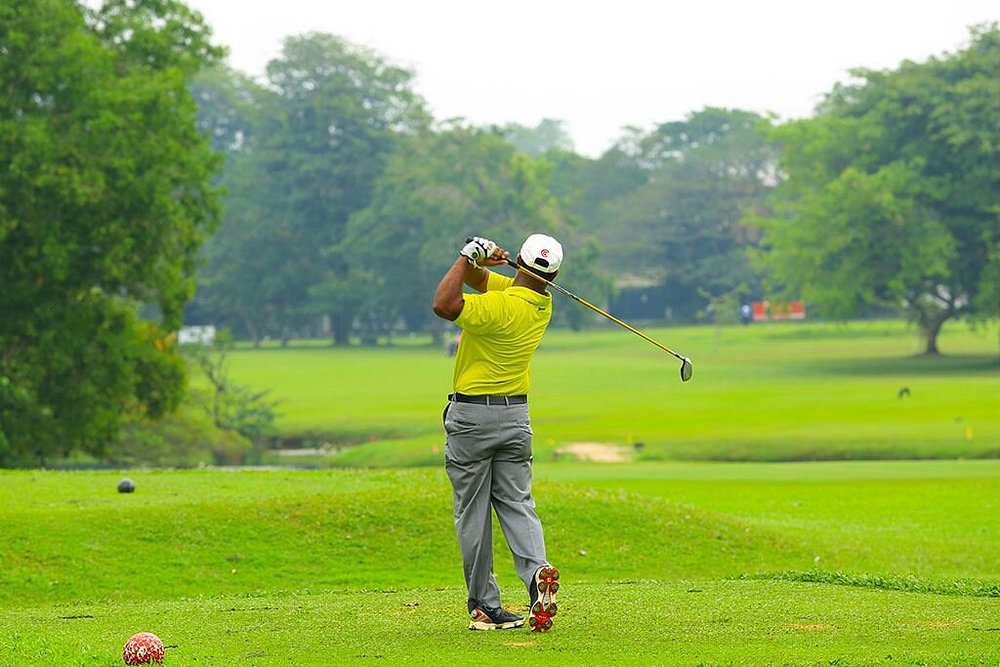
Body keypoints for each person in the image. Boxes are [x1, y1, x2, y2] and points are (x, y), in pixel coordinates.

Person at [432, 234, 563, 632]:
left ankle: (485, 606)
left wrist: (466, 254)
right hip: (516, 417)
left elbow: (444, 303)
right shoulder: (541, 302)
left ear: (520, 262)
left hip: (473, 417)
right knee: (517, 502)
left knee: (472, 511)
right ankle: (536, 572)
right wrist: (487, 262)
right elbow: (479, 280)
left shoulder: (496, 307)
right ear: (553, 275)